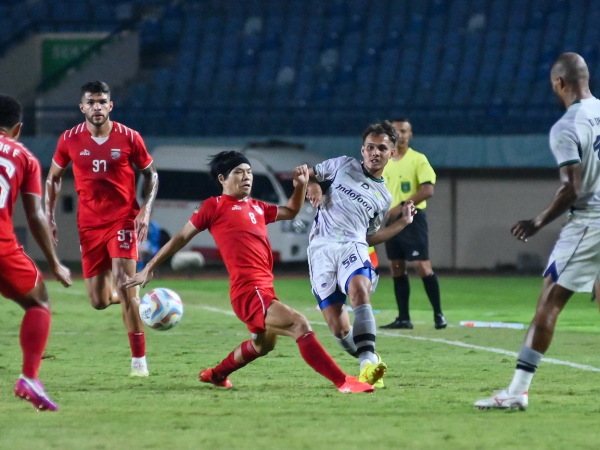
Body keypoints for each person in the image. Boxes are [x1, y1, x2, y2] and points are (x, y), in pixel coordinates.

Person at [124, 151, 374, 393]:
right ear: (222, 179)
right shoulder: (213, 207)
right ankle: (343, 382)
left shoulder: (257, 207)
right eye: (239, 172)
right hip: (248, 290)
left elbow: (291, 212)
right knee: (300, 325)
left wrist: (300, 186)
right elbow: (180, 238)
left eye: (249, 172)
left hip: (263, 287)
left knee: (262, 345)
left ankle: (217, 374)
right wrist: (149, 267)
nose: (247, 177)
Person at [476, 52, 600, 410]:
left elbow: (571, 189)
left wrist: (538, 221)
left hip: (590, 222)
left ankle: (516, 392)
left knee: (549, 302)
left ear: (559, 83)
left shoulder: (567, 125)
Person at [45, 81, 158, 377]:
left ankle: (139, 362)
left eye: (102, 101)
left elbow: (151, 175)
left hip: (122, 218)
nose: (97, 107)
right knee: (98, 301)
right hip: (89, 224)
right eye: (91, 102)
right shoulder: (69, 139)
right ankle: (134, 297)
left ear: (110, 106)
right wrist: (49, 215)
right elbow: (54, 178)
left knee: (123, 279)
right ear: (82, 107)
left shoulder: (130, 137)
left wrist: (145, 208)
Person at [305, 121, 416, 388]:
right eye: (369, 147)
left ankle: (366, 363)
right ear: (362, 150)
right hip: (321, 248)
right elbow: (307, 172)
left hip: (353, 246)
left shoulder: (383, 197)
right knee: (340, 329)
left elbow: (368, 237)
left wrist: (402, 223)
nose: (374, 152)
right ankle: (369, 356)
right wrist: (314, 184)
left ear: (391, 153)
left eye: (381, 148)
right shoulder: (342, 164)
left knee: (359, 290)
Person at [0, 94, 72, 411]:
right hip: (1, 247)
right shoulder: (25, 157)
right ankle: (29, 378)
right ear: (18, 128)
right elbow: (35, 215)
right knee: (38, 301)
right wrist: (55, 264)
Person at [379, 118, 447, 330]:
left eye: (404, 131)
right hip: (390, 220)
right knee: (396, 267)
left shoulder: (418, 159)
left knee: (422, 265)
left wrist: (401, 206)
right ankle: (403, 318)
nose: (400, 135)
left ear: (410, 135)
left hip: (413, 218)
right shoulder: (385, 160)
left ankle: (438, 314)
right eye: (396, 131)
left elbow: (428, 190)